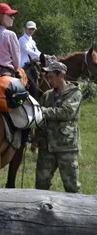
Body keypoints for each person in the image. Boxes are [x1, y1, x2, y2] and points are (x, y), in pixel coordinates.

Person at [35, 61, 82, 193]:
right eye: (47, 77)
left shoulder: (74, 93)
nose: (48, 80)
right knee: (41, 186)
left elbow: (66, 112)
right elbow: (38, 117)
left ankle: (78, 212)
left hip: (66, 147)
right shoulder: (47, 95)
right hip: (46, 147)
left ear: (61, 75)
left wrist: (43, 111)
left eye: (51, 77)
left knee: (72, 186)